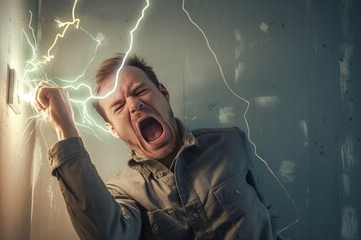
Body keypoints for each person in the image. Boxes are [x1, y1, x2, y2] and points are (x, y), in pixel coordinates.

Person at [34, 54, 279, 240]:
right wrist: (65, 129)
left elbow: (264, 214)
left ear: (163, 93)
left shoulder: (230, 143)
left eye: (140, 91)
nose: (134, 105)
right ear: (112, 129)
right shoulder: (121, 192)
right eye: (118, 107)